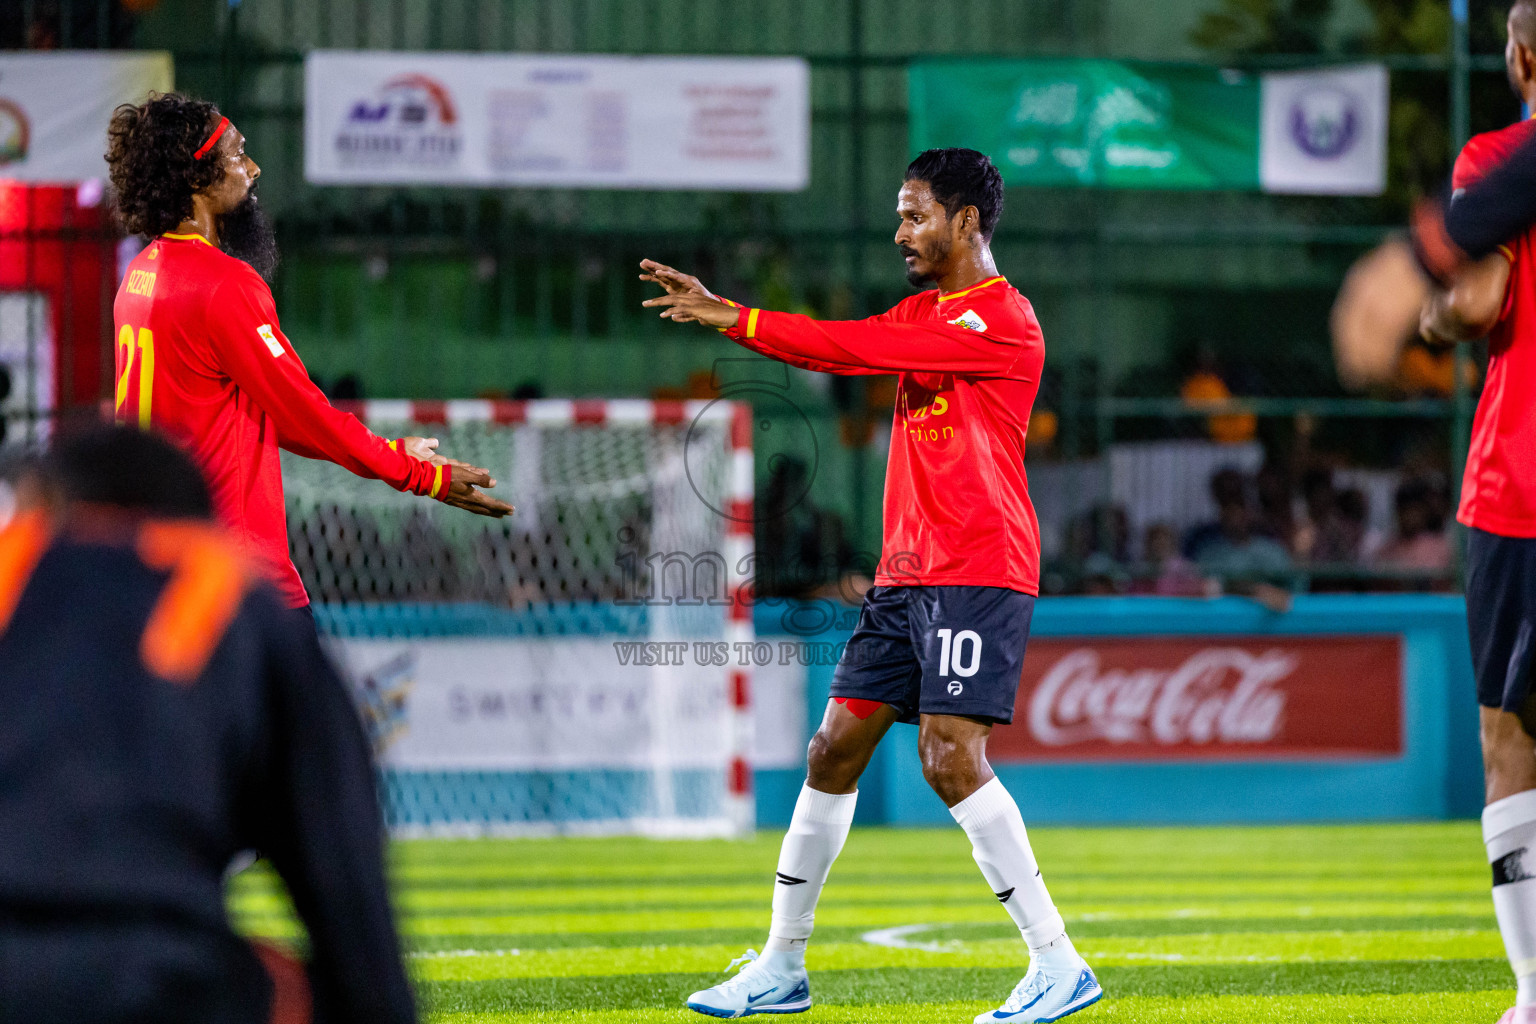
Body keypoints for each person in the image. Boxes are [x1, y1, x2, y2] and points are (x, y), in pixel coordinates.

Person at [642, 148, 1101, 1023]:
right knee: (832, 752)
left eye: (916, 214)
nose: (901, 231)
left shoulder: (1001, 320)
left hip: (978, 565)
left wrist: (733, 316)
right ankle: (780, 965)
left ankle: (1058, 962)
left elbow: (849, 348)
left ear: (967, 222)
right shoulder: (925, 312)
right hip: (905, 575)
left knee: (949, 758)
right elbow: (865, 345)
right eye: (900, 214)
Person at [0, 425, 415, 1024]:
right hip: (157, 967)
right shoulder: (235, 591)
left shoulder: (17, 571)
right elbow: (345, 890)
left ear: (47, 510)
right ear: (198, 525)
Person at [105, 93, 512, 611]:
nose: (252, 169)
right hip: (238, 580)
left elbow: (278, 414)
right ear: (197, 179)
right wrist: (420, 476)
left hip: (166, 568)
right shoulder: (224, 285)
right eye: (236, 155)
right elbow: (304, 410)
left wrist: (391, 451)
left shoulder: (139, 276)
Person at [1414, 10, 1536, 1020]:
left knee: (1511, 742)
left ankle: (1535, 994)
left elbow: (1481, 297)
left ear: (1521, 57)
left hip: (1518, 487)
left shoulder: (1496, 156)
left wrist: (1426, 310)